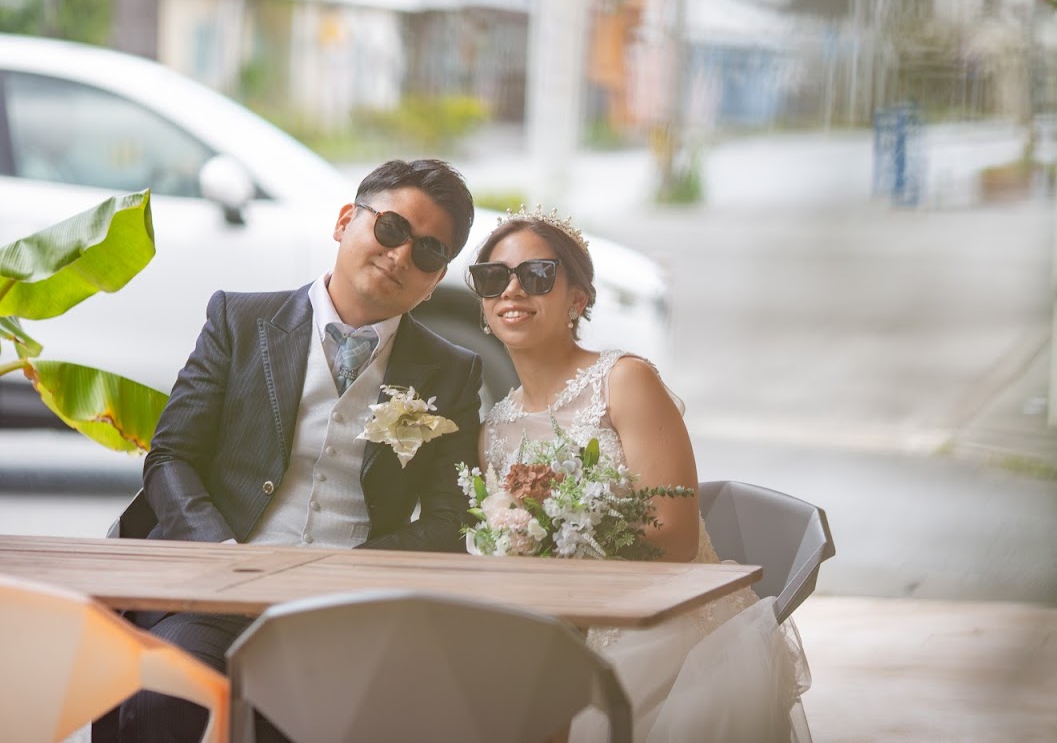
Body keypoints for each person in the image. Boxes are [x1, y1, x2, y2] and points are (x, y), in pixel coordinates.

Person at [113, 158, 483, 741]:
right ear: (345, 222)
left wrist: (358, 570)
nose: (402, 256)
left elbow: (449, 516)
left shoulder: (453, 371)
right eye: (391, 229)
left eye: (430, 252)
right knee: (165, 695)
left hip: (352, 609)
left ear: (438, 278)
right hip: (220, 594)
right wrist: (221, 550)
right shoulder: (239, 319)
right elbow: (170, 457)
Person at [471, 206, 811, 742]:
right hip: (550, 626)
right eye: (493, 278)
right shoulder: (494, 429)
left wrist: (561, 548)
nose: (512, 291)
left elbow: (674, 539)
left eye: (536, 276)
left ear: (577, 299)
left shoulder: (625, 381)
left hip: (659, 621)